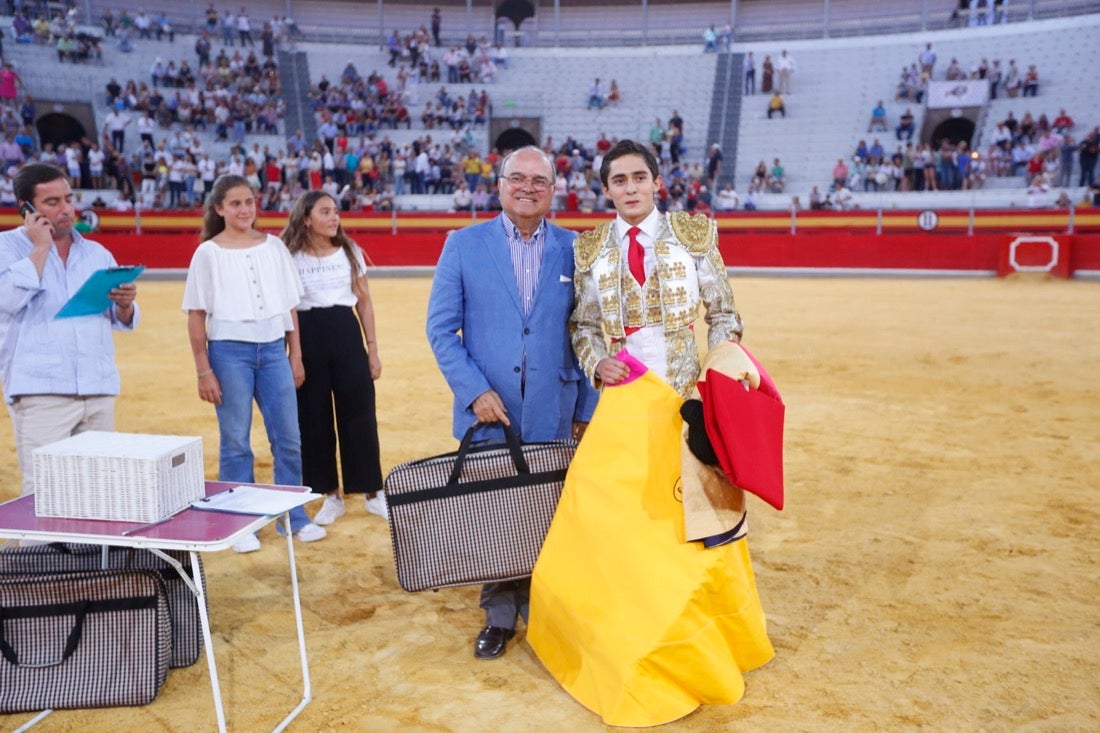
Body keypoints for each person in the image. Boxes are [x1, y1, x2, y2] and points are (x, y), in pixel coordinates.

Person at [528, 140, 772, 726]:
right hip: (623, 403)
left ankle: (693, 643)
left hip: (683, 403)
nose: (631, 188)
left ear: (657, 183)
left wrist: (711, 379)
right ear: (606, 189)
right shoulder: (590, 249)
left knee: (691, 524)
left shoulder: (693, 235)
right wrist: (595, 363)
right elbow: (582, 325)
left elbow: (726, 314)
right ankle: (622, 642)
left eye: (640, 177)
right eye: (619, 180)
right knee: (614, 524)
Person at [426, 146, 598, 660]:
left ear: (553, 190)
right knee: (495, 515)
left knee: (547, 514)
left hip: (556, 405)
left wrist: (586, 409)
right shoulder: (462, 245)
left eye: (538, 181)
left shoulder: (578, 249)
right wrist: (474, 390)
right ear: (499, 185)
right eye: (517, 178)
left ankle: (548, 612)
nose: (527, 187)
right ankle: (500, 614)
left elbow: (590, 332)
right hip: (489, 409)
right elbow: (440, 329)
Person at [182, 175, 326, 553]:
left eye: (249, 202)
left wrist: (295, 354)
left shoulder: (275, 246)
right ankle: (239, 523)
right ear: (218, 209)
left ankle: (292, 517)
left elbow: (289, 305)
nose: (244, 210)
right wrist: (203, 368)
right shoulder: (207, 253)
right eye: (235, 204)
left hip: (273, 351)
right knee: (235, 442)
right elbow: (196, 315)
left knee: (289, 439)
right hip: (228, 353)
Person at [0, 163, 139, 496]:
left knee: (97, 492)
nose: (66, 209)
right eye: (52, 202)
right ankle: (40, 551)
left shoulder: (97, 252)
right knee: (44, 494)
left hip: (98, 387)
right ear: (26, 209)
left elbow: (120, 319)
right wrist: (41, 247)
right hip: (42, 392)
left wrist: (125, 304)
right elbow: (6, 301)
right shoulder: (6, 248)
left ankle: (89, 552)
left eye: (68, 199)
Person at [280, 191, 387, 525]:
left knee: (359, 411)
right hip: (307, 334)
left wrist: (373, 349)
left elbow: (364, 302)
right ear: (306, 218)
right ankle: (330, 494)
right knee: (313, 417)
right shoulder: (290, 256)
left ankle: (372, 491)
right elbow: (290, 310)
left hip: (345, 331)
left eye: (336, 211)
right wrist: (294, 355)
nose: (334, 217)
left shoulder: (350, 251)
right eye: (325, 212)